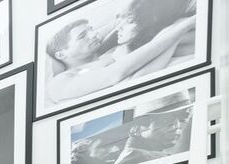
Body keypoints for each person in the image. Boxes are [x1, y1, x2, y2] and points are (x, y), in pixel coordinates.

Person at [45, 12, 197, 106]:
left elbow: (119, 22)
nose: (93, 35)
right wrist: (181, 28)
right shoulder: (59, 82)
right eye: (82, 36)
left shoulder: (112, 51)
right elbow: (118, 74)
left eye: (91, 29)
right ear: (61, 55)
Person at [112, 91, 191, 164]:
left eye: (182, 119)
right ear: (138, 127)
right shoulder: (136, 158)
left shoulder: (145, 155)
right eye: (166, 120)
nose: (176, 126)